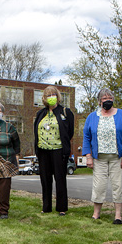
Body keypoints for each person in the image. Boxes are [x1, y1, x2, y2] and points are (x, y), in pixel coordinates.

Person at [82, 88, 122, 224]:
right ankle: (96, 214)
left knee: (119, 185)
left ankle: (118, 216)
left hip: (118, 157)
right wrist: (88, 156)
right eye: (104, 98)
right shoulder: (92, 117)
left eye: (110, 98)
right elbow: (86, 137)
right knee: (99, 186)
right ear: (99, 101)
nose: (107, 100)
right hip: (99, 158)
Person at [33, 86, 74, 215]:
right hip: (43, 151)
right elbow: (36, 131)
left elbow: (69, 132)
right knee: (45, 180)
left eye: (53, 94)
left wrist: (64, 148)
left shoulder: (65, 112)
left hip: (59, 150)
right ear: (44, 98)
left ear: (57, 96)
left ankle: (61, 208)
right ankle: (46, 207)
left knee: (60, 179)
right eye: (48, 95)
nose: (51, 97)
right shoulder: (40, 113)